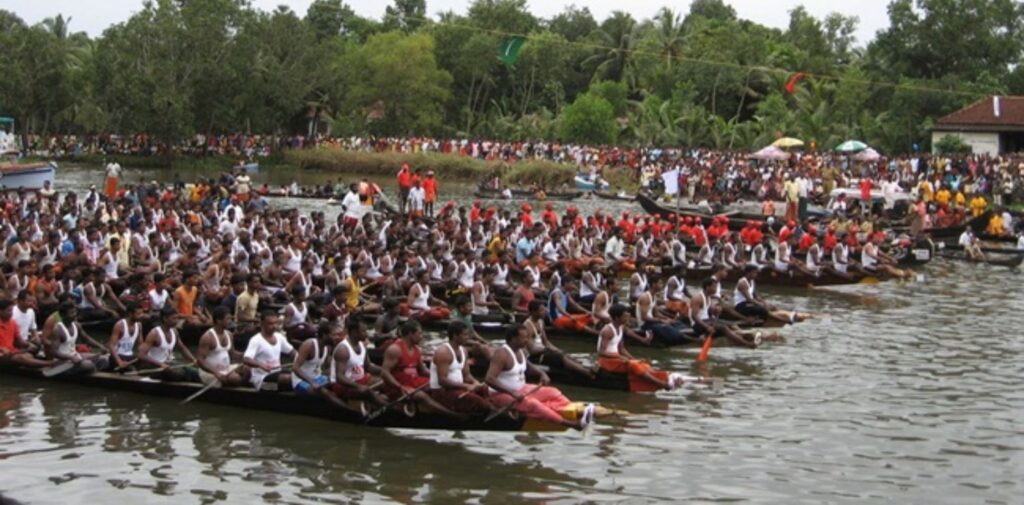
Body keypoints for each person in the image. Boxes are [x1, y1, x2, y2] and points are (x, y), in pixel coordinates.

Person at [485, 324, 594, 431]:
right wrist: (512, 393)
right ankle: (573, 425)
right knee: (533, 404)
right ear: (513, 338)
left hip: (521, 389)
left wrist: (542, 373)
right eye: (523, 337)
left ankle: (573, 410)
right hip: (500, 395)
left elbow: (528, 366)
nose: (527, 340)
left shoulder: (520, 350)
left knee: (553, 392)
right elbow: (489, 379)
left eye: (527, 337)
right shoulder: (501, 354)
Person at [379, 320, 462, 417]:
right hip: (397, 387)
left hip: (413, 383)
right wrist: (400, 387)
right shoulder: (395, 349)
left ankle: (453, 405)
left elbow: (423, 371)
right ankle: (453, 415)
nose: (422, 336)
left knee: (438, 385)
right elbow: (384, 372)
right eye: (420, 333)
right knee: (421, 396)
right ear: (411, 334)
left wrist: (440, 376)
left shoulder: (417, 349)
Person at [598, 304, 685, 392]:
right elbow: (601, 352)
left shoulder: (621, 327)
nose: (627, 319)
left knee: (642, 363)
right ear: (616, 318)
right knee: (634, 365)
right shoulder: (607, 331)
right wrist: (622, 358)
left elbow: (621, 349)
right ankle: (662, 384)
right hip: (606, 362)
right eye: (625, 317)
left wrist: (633, 359)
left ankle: (666, 377)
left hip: (617, 360)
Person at [428, 321, 493, 414]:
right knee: (480, 403)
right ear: (455, 336)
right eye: (465, 335)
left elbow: (466, 375)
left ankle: (489, 408)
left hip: (457, 389)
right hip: (442, 392)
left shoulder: (464, 351)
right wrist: (466, 386)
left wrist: (476, 383)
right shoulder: (443, 352)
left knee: (485, 389)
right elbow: (442, 381)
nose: (468, 337)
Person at [525, 300, 595, 378]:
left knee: (563, 354)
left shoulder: (541, 322)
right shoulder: (527, 326)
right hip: (534, 357)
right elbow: (531, 350)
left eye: (544, 309)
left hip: (544, 351)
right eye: (541, 310)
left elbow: (546, 342)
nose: (545, 312)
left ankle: (585, 367)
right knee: (559, 357)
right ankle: (587, 373)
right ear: (533, 312)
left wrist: (556, 349)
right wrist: (548, 350)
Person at [330, 318, 388, 407]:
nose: (366, 333)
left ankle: (383, 400)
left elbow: (368, 366)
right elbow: (339, 377)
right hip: (342, 386)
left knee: (387, 382)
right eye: (363, 331)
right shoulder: (343, 350)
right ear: (354, 332)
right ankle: (388, 408)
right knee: (368, 391)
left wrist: (386, 371)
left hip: (359, 380)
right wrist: (357, 386)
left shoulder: (361, 345)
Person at [689, 278, 760, 349]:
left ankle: (743, 337)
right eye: (714, 287)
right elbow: (694, 316)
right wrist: (707, 327)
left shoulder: (708, 297)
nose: (716, 289)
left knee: (730, 324)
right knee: (723, 328)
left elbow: (706, 311)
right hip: (697, 325)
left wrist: (716, 311)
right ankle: (746, 344)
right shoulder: (697, 298)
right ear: (707, 287)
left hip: (708, 320)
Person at [137, 307, 201, 382]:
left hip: (169, 364)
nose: (177, 321)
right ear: (165, 319)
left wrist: (193, 360)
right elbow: (141, 355)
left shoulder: (174, 331)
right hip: (155, 367)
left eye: (177, 318)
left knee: (194, 371)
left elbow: (182, 348)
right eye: (174, 318)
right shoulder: (154, 333)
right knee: (180, 374)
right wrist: (160, 364)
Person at [242, 310, 295, 391]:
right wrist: (261, 365)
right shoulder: (256, 340)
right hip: (262, 379)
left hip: (277, 374)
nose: (274, 326)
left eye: (276, 323)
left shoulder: (279, 337)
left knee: (297, 375)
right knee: (287, 378)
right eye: (270, 324)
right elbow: (246, 359)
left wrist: (300, 360)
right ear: (262, 324)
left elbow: (292, 352)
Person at [195, 306, 247, 387]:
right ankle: (238, 383)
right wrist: (215, 373)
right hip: (211, 373)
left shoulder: (229, 334)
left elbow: (233, 354)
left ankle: (239, 383)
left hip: (226, 369)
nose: (230, 321)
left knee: (247, 369)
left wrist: (247, 355)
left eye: (230, 318)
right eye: (228, 319)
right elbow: (200, 361)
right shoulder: (208, 337)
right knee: (235, 379)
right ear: (219, 321)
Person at [0, 299, 52, 368]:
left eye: (12, 311)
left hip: (12, 352)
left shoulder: (12, 323)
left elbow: (19, 341)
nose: (11, 313)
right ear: (1, 311)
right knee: (19, 358)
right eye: (9, 311)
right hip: (3, 354)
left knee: (28, 355)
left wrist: (29, 344)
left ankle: (41, 364)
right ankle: (49, 364)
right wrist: (2, 349)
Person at [107, 302, 146, 371]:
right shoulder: (120, 325)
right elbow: (111, 346)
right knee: (132, 369)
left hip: (130, 357)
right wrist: (120, 362)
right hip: (118, 356)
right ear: (130, 314)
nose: (141, 316)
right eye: (138, 314)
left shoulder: (139, 325)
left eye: (142, 313)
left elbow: (140, 344)